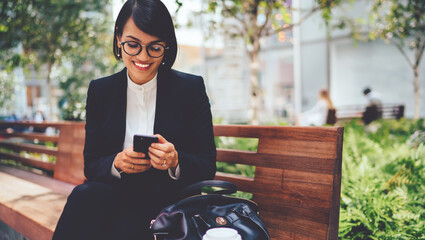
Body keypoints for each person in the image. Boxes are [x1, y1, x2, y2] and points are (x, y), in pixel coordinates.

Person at [52, 1, 217, 239]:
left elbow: (207, 164)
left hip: (168, 203)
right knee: (84, 195)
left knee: (124, 228)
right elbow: (92, 164)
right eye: (133, 45)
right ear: (118, 38)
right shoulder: (101, 91)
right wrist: (117, 163)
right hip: (116, 196)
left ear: (166, 46)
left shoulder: (190, 89)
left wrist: (175, 161)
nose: (143, 56)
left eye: (154, 48)